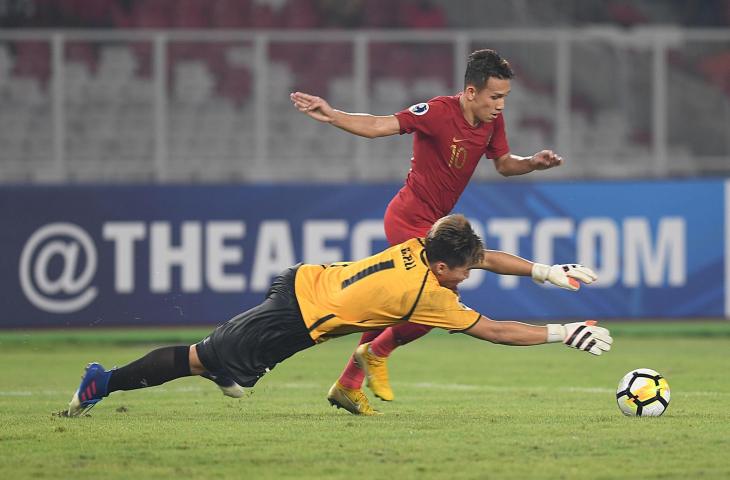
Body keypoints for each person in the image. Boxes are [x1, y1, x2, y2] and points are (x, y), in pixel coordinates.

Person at [66, 214, 611, 417]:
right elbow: (494, 330)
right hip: (295, 317)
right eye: (463, 272)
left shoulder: (425, 244)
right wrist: (565, 333)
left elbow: (480, 256)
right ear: (443, 266)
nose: (469, 276)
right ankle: (104, 382)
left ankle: (230, 370)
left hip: (306, 284)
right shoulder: (431, 295)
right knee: (199, 360)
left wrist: (543, 271)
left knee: (222, 370)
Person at [290, 48, 568, 410]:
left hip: (434, 224)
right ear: (471, 92)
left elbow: (502, 164)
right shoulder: (438, 112)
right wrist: (332, 116)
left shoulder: (491, 121)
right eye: (495, 96)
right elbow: (380, 126)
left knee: (403, 304)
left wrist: (531, 163)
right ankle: (375, 352)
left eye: (505, 98)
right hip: (409, 217)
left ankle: (348, 382)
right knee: (437, 302)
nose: (500, 105)